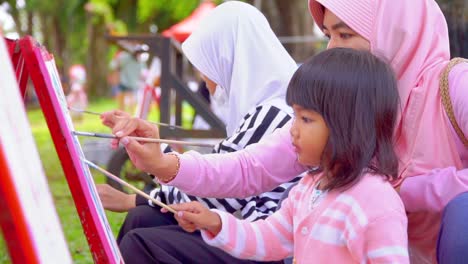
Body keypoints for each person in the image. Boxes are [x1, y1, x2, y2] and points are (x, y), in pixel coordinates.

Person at [101, 0, 468, 263]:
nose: (330, 50)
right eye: (327, 35)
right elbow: (249, 169)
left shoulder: (454, 86)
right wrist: (165, 164)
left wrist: (405, 192)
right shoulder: (334, 114)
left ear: (396, 32)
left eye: (345, 35)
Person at [98, 2, 300, 263]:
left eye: (206, 63)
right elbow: (219, 173)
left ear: (227, 58)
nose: (203, 75)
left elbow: (220, 191)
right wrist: (155, 150)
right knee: (143, 219)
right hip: (252, 232)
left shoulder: (273, 113)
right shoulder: (266, 106)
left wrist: (135, 195)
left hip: (267, 247)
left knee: (141, 244)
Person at [168, 47, 409, 264]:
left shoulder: (375, 202)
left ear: (348, 125)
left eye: (306, 119)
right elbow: (270, 238)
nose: (293, 129)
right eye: (295, 116)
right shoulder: (309, 187)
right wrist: (216, 223)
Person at [109, 47, 143, 113]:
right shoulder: (139, 61)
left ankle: (123, 114)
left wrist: (116, 58)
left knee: (125, 100)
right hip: (132, 83)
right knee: (130, 99)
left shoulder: (124, 57)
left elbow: (112, 65)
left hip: (125, 82)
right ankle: (128, 115)